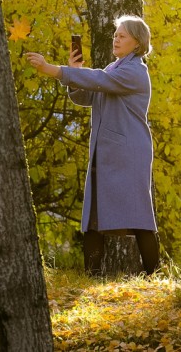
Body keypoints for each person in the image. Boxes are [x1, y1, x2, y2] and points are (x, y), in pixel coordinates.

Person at [26, 15, 159, 276]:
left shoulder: (134, 71)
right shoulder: (115, 68)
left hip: (128, 152)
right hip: (108, 150)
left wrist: (54, 70)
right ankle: (92, 275)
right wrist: (73, 73)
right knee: (94, 215)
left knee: (139, 214)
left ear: (137, 43)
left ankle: (153, 274)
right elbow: (88, 95)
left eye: (122, 36)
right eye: (115, 35)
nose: (116, 39)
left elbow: (97, 80)